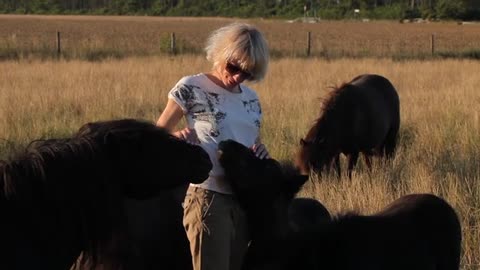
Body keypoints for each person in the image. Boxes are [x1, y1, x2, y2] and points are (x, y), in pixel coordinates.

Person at [156, 22, 270, 270]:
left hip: (244, 200)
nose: (238, 76)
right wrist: (178, 138)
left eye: (248, 73)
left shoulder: (251, 99)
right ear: (222, 54)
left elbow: (252, 140)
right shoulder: (190, 87)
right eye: (234, 67)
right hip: (207, 197)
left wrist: (260, 152)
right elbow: (157, 136)